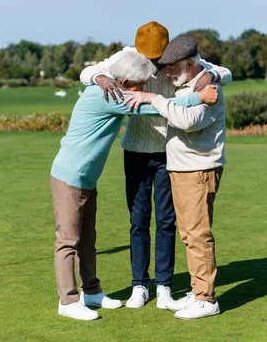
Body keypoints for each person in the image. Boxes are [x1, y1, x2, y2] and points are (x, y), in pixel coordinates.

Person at [51, 50, 218, 321]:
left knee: (88, 240)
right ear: (126, 81)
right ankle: (68, 301)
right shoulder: (110, 95)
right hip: (69, 177)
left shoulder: (114, 88)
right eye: (140, 85)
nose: (143, 89)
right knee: (68, 241)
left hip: (86, 178)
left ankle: (91, 291)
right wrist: (198, 97)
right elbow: (153, 108)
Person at [80, 21, 232, 309]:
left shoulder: (174, 59)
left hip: (168, 154)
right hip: (135, 150)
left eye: (155, 57)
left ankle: (163, 286)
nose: (151, 62)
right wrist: (101, 78)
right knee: (138, 221)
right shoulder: (128, 55)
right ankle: (140, 285)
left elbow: (224, 73)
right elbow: (87, 71)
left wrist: (210, 73)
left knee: (166, 221)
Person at [124, 35, 226, 320]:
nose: (167, 73)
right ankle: (197, 292)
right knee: (187, 234)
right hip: (181, 168)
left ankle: (207, 299)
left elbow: (188, 121)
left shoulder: (209, 86)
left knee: (198, 235)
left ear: (191, 63)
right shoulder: (185, 88)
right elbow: (177, 107)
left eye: (173, 67)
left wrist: (154, 98)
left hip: (199, 169)